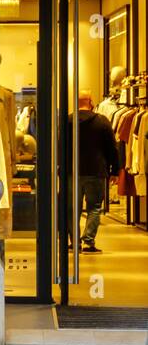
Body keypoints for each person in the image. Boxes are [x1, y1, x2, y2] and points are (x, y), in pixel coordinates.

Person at [75, 90, 120, 254]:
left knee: (73, 208)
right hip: (96, 171)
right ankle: (88, 242)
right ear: (91, 101)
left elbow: (60, 146)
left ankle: (74, 242)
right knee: (93, 207)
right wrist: (115, 169)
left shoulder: (68, 121)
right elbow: (112, 148)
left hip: (72, 172)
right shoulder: (102, 121)